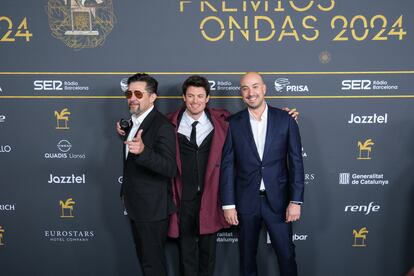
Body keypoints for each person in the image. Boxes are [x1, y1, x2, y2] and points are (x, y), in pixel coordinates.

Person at [117, 74, 299, 276]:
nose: (195, 101)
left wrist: (285, 116)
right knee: (186, 256)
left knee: (209, 256)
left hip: (211, 198)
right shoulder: (169, 123)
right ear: (184, 98)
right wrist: (128, 127)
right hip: (183, 199)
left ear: (207, 98)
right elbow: (146, 124)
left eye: (200, 96)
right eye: (191, 96)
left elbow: (259, 130)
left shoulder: (224, 121)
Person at [220, 72, 304, 276]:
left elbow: (296, 162)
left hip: (279, 201)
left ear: (264, 89)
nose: (251, 93)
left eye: (255, 87)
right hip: (246, 201)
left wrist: (296, 201)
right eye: (245, 89)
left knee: (286, 255)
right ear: (241, 94)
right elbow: (228, 165)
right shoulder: (232, 123)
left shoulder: (286, 119)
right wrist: (228, 204)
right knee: (247, 257)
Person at [120, 73, 176, 276]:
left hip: (152, 209)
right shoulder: (135, 121)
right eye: (128, 93)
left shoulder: (162, 126)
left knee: (153, 264)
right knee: (145, 261)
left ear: (152, 97)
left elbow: (170, 168)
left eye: (138, 93)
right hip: (137, 205)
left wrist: (144, 152)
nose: (132, 97)